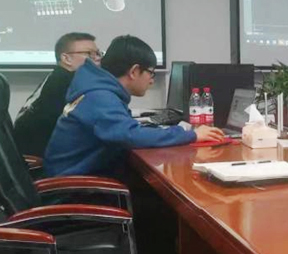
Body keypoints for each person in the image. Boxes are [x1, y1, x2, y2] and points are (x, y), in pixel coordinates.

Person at [44, 35, 224, 177]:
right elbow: (131, 135)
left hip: (77, 178)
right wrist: (192, 135)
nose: (151, 81)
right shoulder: (100, 97)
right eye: (151, 73)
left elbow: (126, 131)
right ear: (134, 71)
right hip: (73, 191)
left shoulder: (97, 90)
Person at [13, 32, 102, 157]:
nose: (97, 58)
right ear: (66, 59)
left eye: (98, 53)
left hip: (31, 152)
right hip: (38, 159)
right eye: (89, 53)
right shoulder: (66, 83)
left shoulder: (59, 76)